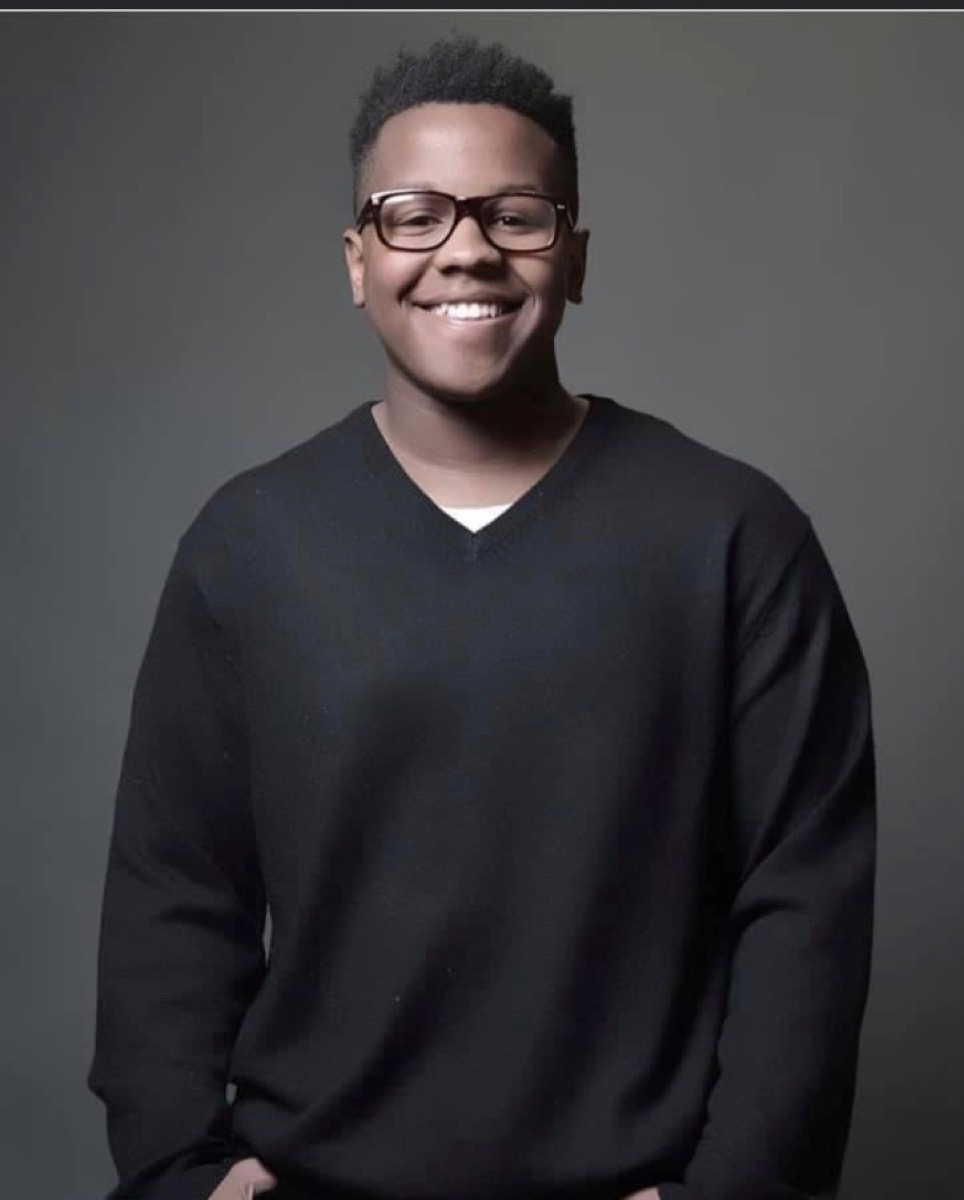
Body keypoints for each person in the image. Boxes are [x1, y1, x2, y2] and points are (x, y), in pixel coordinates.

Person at [88, 35, 877, 1200]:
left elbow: (802, 897)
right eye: (411, 215)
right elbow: (175, 888)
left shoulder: (732, 536)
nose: (464, 248)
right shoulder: (247, 545)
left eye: (515, 213)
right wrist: (180, 1171)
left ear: (575, 256)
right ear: (356, 260)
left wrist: (739, 1189)